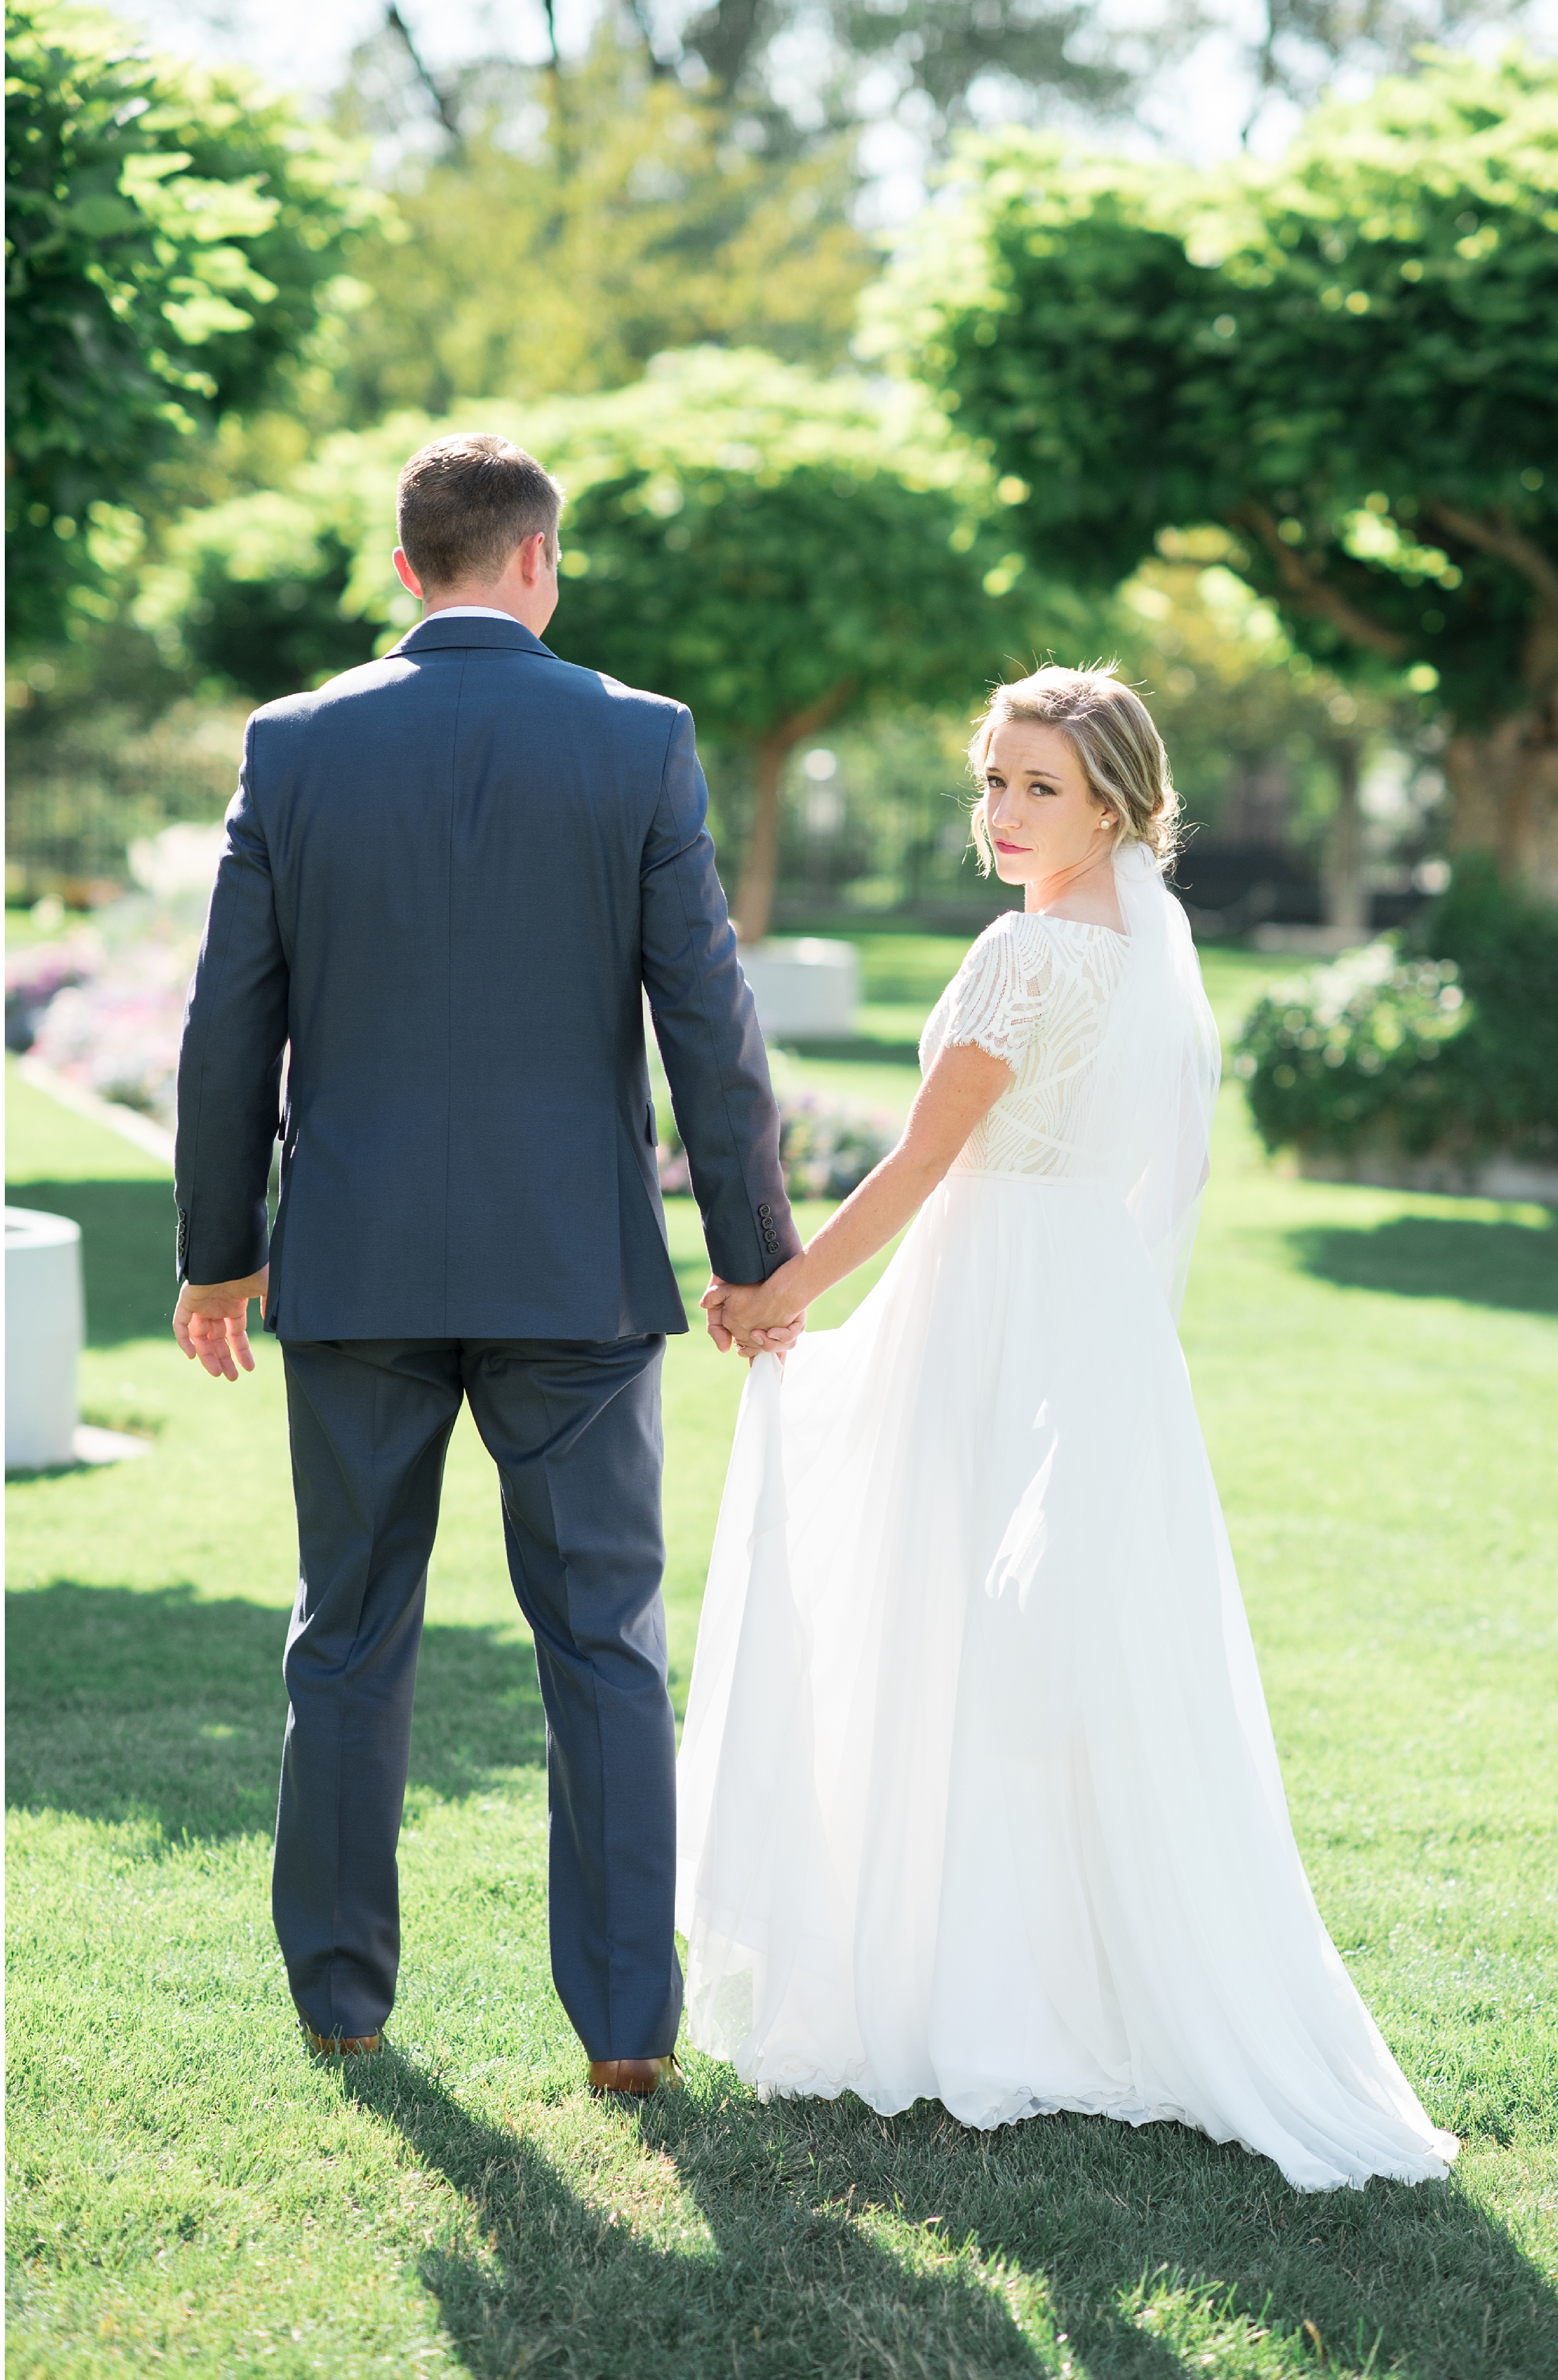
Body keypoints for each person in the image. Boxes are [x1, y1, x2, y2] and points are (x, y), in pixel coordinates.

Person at [687, 666, 1458, 2191]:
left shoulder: (1032, 955)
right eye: (990, 782)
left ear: (1111, 796)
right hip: (1088, 1317)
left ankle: (975, 1989)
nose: (1001, 813)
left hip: (996, 1304)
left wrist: (782, 1290)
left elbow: (917, 1167)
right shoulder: (1150, 945)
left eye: (1036, 786)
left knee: (959, 1632)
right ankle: (1046, 1975)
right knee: (1044, 1651)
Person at [172, 432, 800, 2095]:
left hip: (359, 1267)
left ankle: (341, 2002)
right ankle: (622, 2034)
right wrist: (755, 1257)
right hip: (573, 1277)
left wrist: (220, 1253)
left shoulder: (292, 745)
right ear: (536, 560)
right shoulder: (638, 741)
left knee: (349, 1630)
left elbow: (229, 1025)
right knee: (602, 1639)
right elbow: (710, 1030)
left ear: (405, 571)